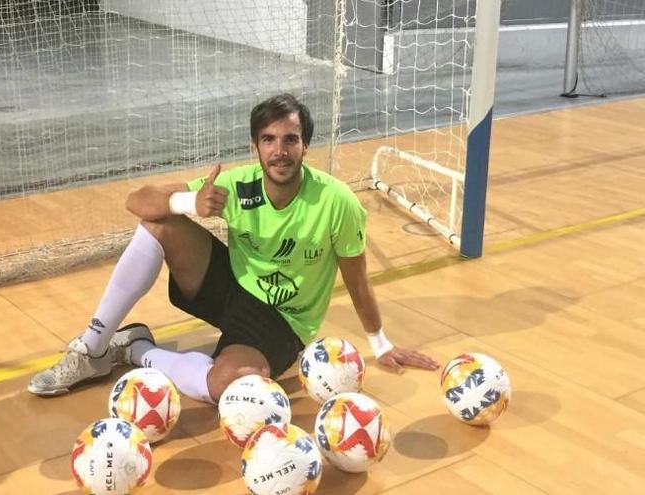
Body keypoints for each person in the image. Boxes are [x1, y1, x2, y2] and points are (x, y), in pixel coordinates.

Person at [28, 93, 439, 403]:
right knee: (160, 223)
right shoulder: (237, 185)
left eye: (290, 139)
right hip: (231, 290)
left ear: (305, 146)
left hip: (281, 320)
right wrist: (189, 203)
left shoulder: (337, 202)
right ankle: (93, 346)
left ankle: (136, 351)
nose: (279, 151)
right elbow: (137, 200)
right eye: (269, 139)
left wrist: (381, 344)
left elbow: (357, 279)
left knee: (231, 387)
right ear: (254, 147)